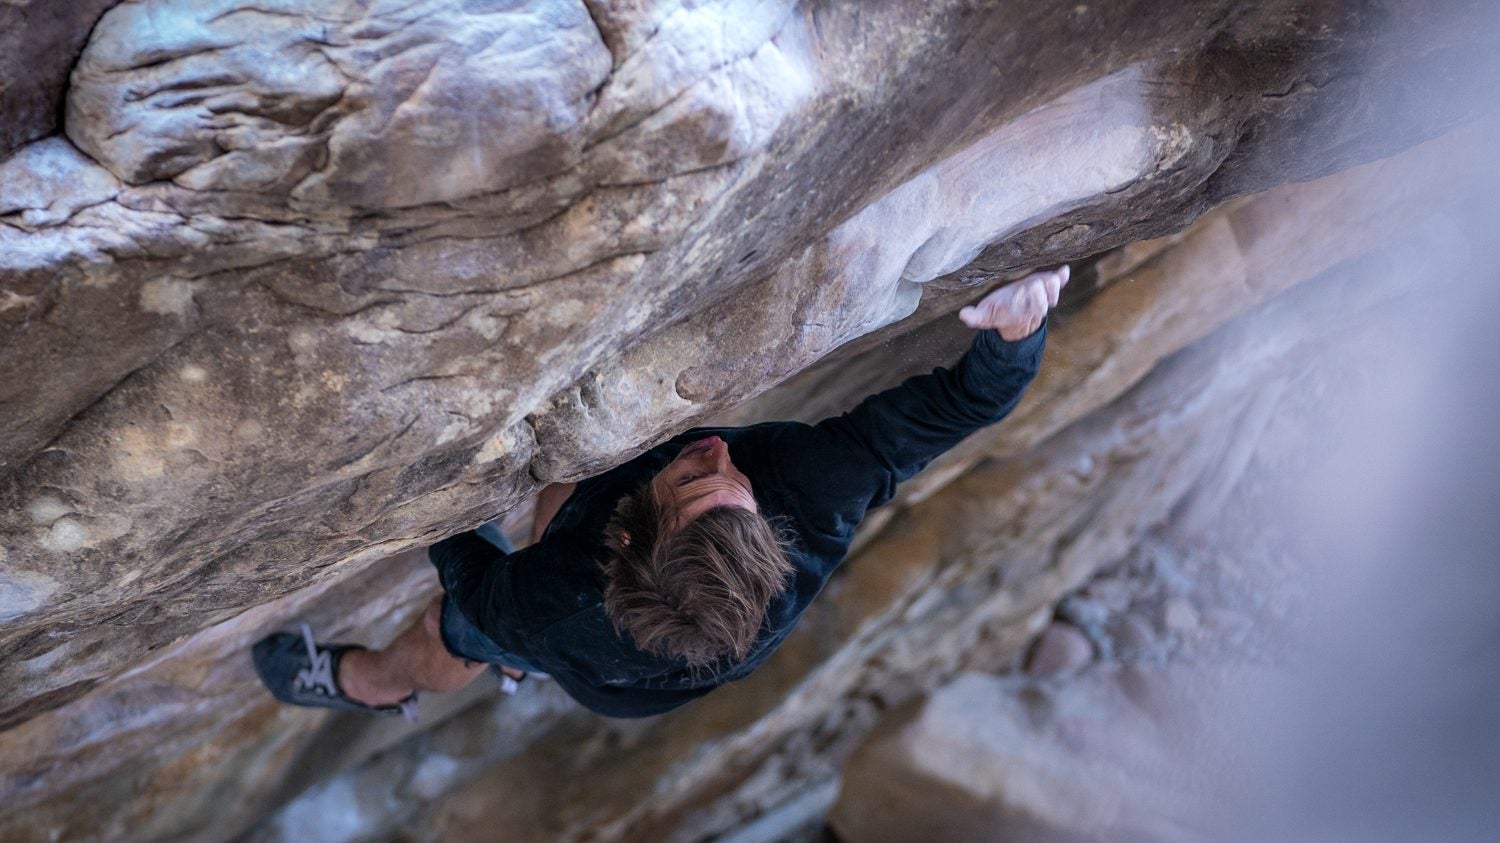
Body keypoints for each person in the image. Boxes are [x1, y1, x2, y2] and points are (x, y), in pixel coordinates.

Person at [253, 266, 1069, 719]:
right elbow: (962, 404)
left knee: (453, 629)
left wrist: (424, 473)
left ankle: (368, 684)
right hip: (656, 588)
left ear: (628, 535)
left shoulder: (552, 605)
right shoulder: (815, 496)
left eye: (691, 475)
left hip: (603, 672)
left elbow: (464, 561)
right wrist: (1017, 329)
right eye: (733, 480)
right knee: (567, 489)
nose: (716, 450)